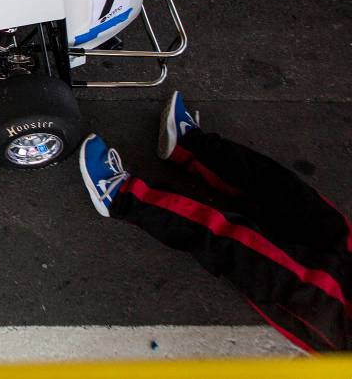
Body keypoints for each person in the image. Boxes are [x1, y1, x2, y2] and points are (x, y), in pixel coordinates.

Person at [80, 91, 351, 353]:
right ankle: (190, 147)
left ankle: (121, 197)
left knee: (235, 243)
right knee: (290, 197)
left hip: (339, 317)